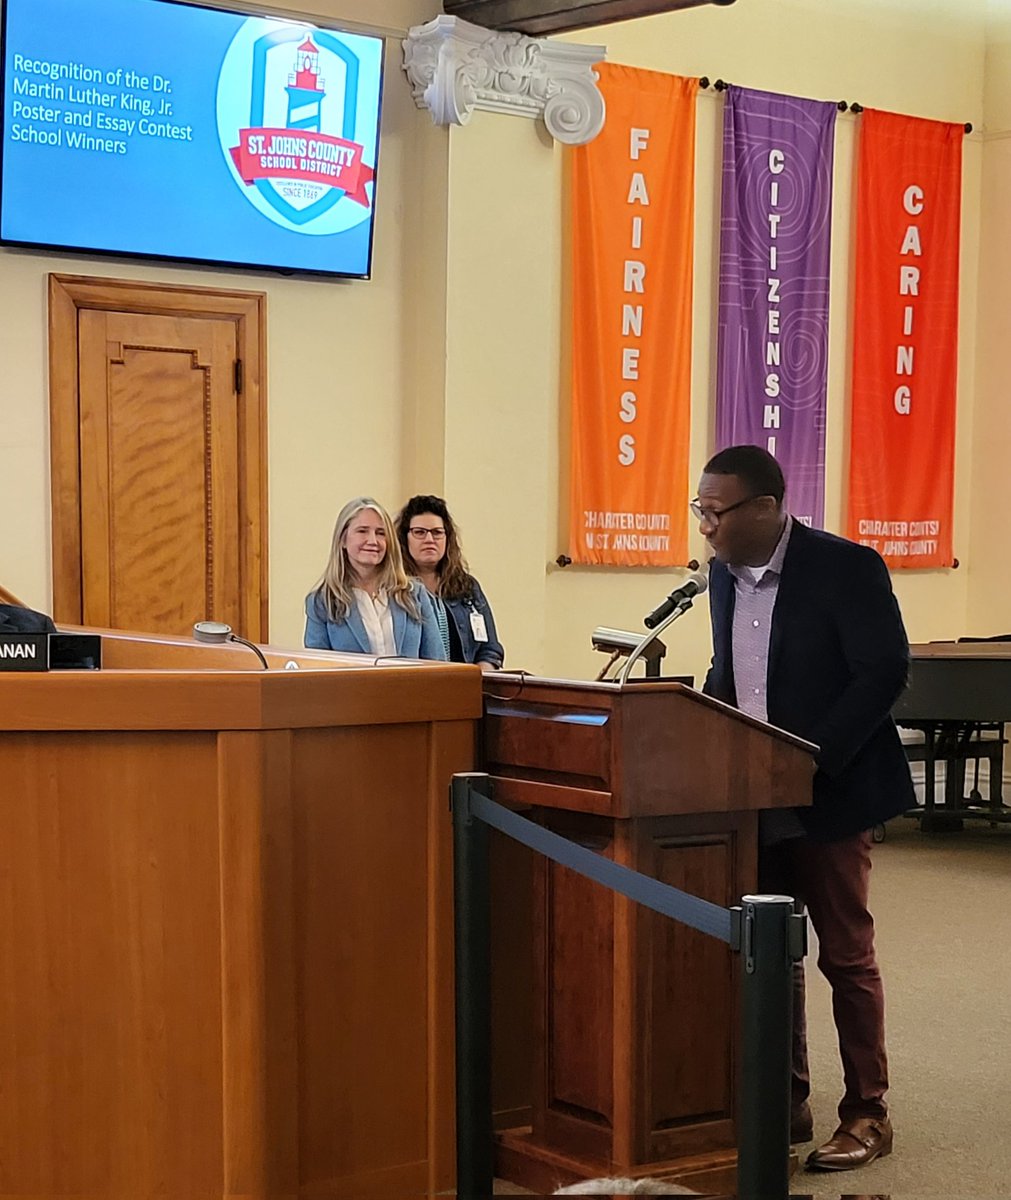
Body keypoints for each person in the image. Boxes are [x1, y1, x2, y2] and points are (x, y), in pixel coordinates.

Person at [695, 445, 913, 1173]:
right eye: (698, 510)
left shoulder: (845, 567)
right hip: (752, 798)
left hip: (832, 791)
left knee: (844, 955)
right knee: (771, 953)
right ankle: (784, 1099)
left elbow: (882, 669)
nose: (705, 525)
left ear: (763, 508)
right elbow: (728, 674)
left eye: (714, 511)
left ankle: (867, 1112)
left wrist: (811, 757)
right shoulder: (720, 580)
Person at [304, 496, 446, 659]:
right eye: (362, 531)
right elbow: (317, 671)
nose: (373, 541)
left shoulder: (414, 594)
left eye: (380, 533)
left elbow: (437, 661)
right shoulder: (321, 602)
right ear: (343, 539)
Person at [395, 494, 504, 669]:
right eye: (420, 532)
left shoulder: (467, 587)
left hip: (465, 686)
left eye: (437, 532)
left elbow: (490, 648)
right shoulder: (393, 589)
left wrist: (480, 678)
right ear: (404, 538)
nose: (429, 540)